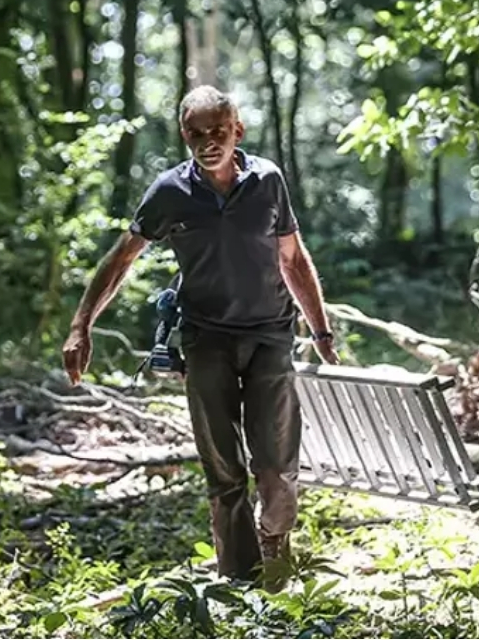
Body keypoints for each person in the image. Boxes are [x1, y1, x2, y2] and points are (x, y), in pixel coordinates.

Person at [61, 85, 338, 591]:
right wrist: (82, 324)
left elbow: (293, 259)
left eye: (218, 131)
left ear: (238, 131)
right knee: (224, 468)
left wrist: (319, 329)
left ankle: (274, 540)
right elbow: (122, 257)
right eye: (196, 133)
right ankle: (241, 583)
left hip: (271, 335)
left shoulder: (267, 181)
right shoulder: (170, 192)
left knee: (275, 466)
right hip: (205, 339)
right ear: (184, 135)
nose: (208, 142)